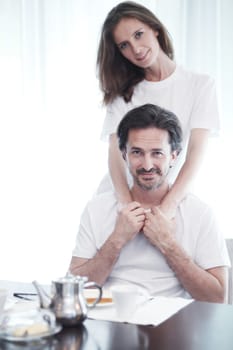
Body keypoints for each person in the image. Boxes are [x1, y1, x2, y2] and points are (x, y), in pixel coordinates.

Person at [69, 103, 229, 303]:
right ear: (124, 154)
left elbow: (217, 297)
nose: (147, 165)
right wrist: (117, 240)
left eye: (157, 153)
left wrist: (168, 244)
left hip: (173, 323)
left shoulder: (200, 213)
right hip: (111, 320)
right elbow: (75, 290)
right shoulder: (97, 209)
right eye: (137, 152)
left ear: (173, 156)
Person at [96, 1, 220, 219]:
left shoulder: (200, 85)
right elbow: (115, 158)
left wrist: (167, 208)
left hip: (168, 201)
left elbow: (195, 154)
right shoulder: (124, 93)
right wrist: (128, 208)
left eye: (138, 34)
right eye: (124, 45)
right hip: (120, 203)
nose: (135, 49)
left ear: (155, 28)